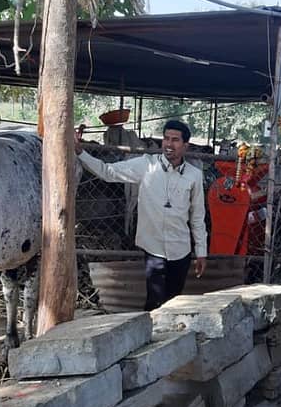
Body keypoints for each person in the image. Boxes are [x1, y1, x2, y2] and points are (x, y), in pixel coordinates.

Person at [75, 120, 207, 311]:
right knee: (154, 302)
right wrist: (81, 153)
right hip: (153, 248)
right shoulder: (146, 165)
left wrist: (201, 252)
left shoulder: (194, 175)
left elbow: (197, 216)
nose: (169, 144)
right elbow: (107, 172)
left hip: (181, 250)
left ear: (186, 145)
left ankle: (170, 338)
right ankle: (151, 336)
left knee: (174, 303)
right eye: (166, 139)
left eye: (175, 140)